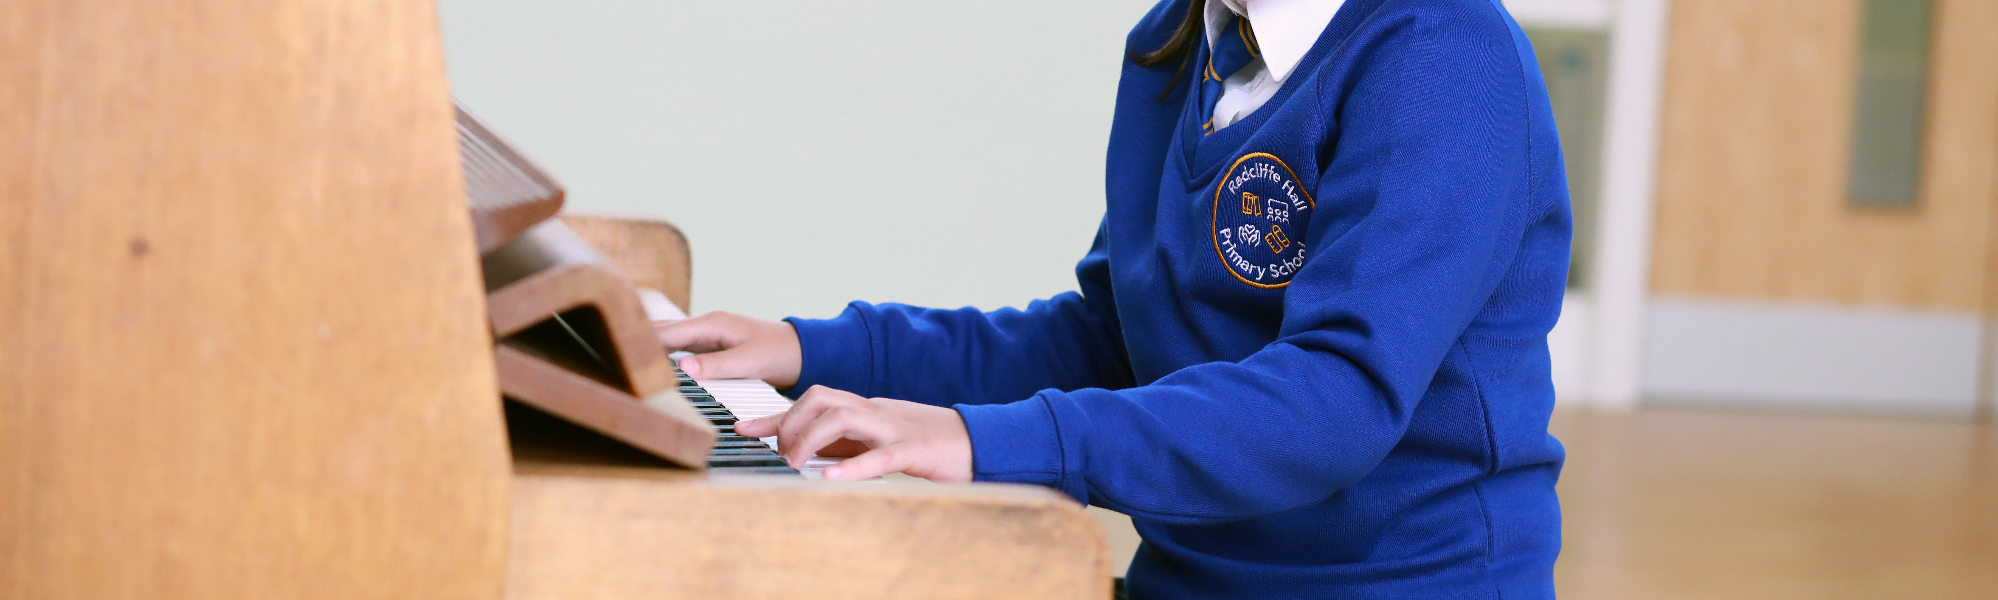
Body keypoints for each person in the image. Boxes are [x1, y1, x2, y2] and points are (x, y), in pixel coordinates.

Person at [657, 0, 1570, 597]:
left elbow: (1333, 401)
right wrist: (811, 351)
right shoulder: (1180, 42)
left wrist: (987, 441)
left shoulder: (1446, 56)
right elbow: (1110, 335)